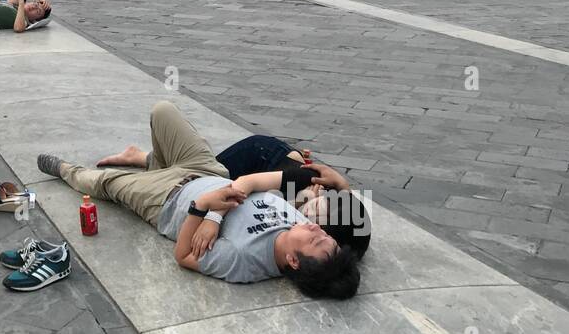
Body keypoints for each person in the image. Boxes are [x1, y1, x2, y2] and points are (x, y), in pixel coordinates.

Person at [37, 101, 361, 299]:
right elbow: (262, 181)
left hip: (164, 198)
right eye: (326, 238)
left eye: (317, 241)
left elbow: (183, 257)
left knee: (97, 182)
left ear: (294, 262)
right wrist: (342, 186)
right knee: (162, 111)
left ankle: (66, 169)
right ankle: (150, 160)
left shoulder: (243, 260)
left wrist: (203, 208)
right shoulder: (303, 231)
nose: (319, 230)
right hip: (206, 169)